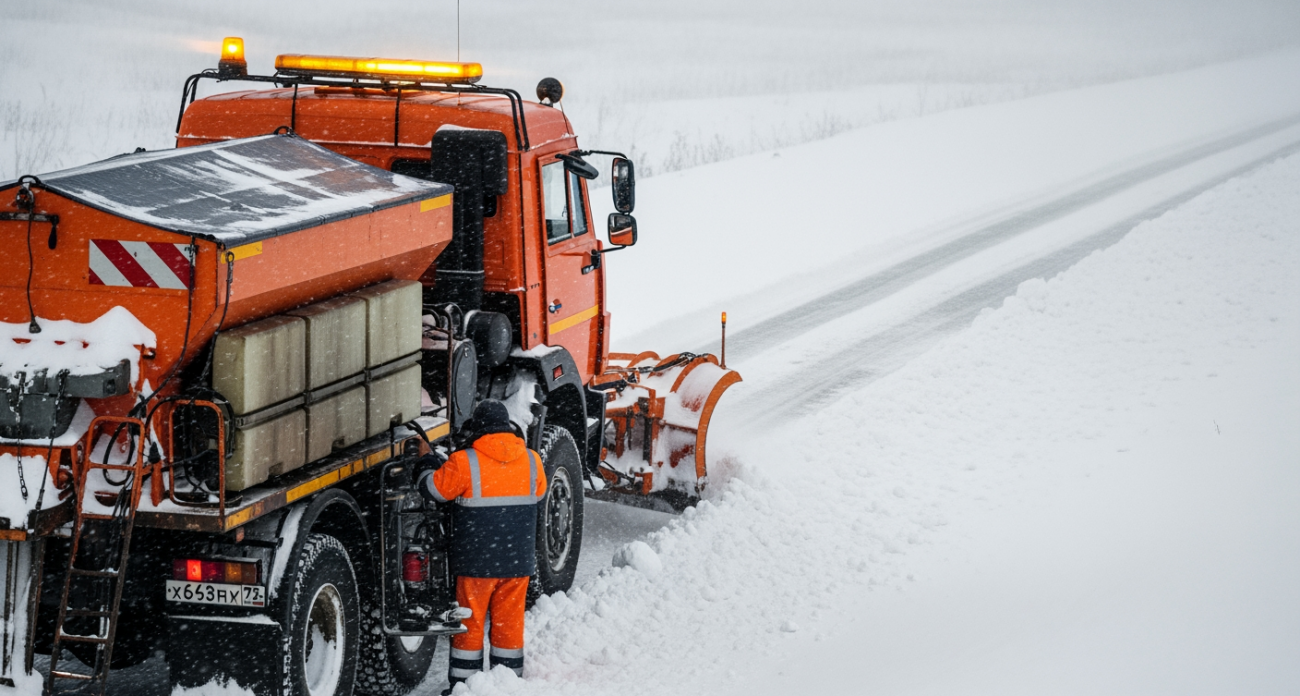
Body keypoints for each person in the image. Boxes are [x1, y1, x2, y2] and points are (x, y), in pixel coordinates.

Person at [418, 399, 546, 693]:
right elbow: (537, 492)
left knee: (470, 625)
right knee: (509, 625)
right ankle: (507, 682)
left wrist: (426, 463)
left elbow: (434, 490)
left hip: (476, 563)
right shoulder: (532, 460)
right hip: (517, 562)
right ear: (509, 428)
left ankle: (465, 685)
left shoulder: (465, 461)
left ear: (477, 430)